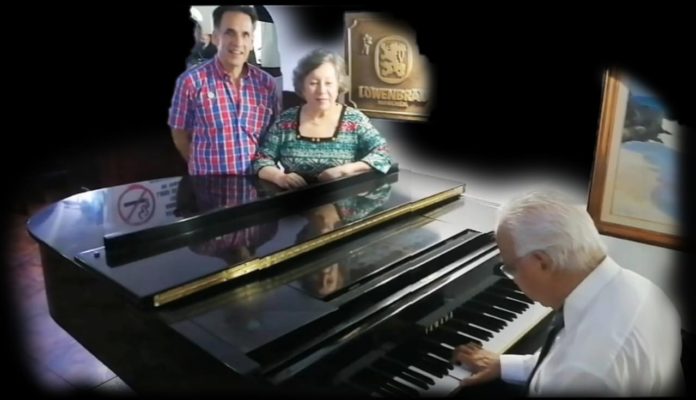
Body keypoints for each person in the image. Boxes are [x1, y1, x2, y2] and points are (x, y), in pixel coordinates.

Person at [451, 190, 684, 396]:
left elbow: (575, 368)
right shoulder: (642, 288)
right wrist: (505, 364)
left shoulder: (585, 372)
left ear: (542, 262)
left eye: (511, 268)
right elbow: (561, 356)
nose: (512, 279)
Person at [253, 49, 392, 190]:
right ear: (302, 87)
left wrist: (345, 170)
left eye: (329, 83)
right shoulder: (286, 121)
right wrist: (279, 177)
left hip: (344, 200)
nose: (322, 91)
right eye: (313, 83)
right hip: (295, 199)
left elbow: (383, 154)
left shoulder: (355, 120)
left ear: (338, 85)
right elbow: (262, 159)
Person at [169, 5, 280, 176]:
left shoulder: (267, 84)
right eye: (230, 32)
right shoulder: (191, 81)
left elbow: (273, 135)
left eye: (245, 34)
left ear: (251, 42)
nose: (238, 42)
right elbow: (179, 133)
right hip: (209, 184)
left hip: (256, 183)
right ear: (215, 37)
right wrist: (199, 164)